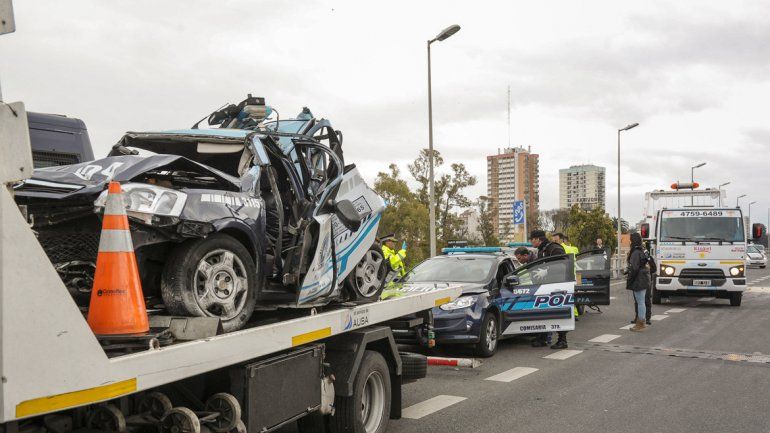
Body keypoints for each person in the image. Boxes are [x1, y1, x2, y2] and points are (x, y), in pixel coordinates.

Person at [529, 230, 569, 349]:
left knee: (557, 313)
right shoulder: (543, 249)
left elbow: (563, 264)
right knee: (544, 313)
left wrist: (547, 271)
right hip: (546, 286)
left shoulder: (554, 248)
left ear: (537, 239)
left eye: (532, 239)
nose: (531, 242)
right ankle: (543, 338)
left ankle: (562, 340)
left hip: (557, 286)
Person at [626, 232, 651, 332]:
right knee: (642, 302)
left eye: (630, 239)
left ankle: (641, 323)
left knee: (640, 302)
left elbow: (635, 268)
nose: (629, 241)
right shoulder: (643, 250)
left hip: (638, 279)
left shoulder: (635, 252)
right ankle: (642, 321)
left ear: (633, 240)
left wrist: (630, 278)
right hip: (644, 277)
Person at [631, 241, 656, 325]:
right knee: (637, 300)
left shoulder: (649, 258)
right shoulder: (638, 257)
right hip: (638, 281)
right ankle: (637, 317)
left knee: (646, 300)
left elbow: (654, 269)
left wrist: (647, 272)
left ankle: (647, 318)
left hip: (647, 281)